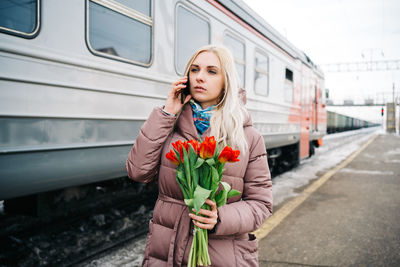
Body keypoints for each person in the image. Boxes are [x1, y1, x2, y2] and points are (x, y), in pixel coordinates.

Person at [126, 45, 273, 267]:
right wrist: (167, 112)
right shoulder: (169, 124)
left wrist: (219, 218)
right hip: (167, 253)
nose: (199, 77)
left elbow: (261, 204)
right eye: (194, 70)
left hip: (221, 255)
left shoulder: (248, 137)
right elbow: (137, 171)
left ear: (227, 82)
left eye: (211, 71)